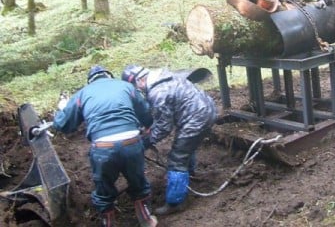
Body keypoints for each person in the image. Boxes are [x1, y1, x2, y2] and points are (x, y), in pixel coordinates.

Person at [52, 65, 158, 227]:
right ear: (109, 76)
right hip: (131, 142)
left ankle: (108, 223)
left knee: (103, 188)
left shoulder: (82, 93)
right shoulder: (126, 86)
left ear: (90, 80)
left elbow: (63, 125)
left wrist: (61, 110)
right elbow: (145, 113)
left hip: (103, 147)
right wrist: (147, 126)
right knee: (138, 181)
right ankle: (146, 219)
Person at [121, 65, 218, 216]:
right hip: (205, 109)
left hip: (196, 118)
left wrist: (145, 142)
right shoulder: (164, 77)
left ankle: (175, 202)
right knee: (184, 146)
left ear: (140, 80)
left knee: (177, 159)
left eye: (134, 87)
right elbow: (162, 116)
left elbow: (164, 127)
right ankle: (189, 173)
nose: (136, 91)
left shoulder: (158, 92)